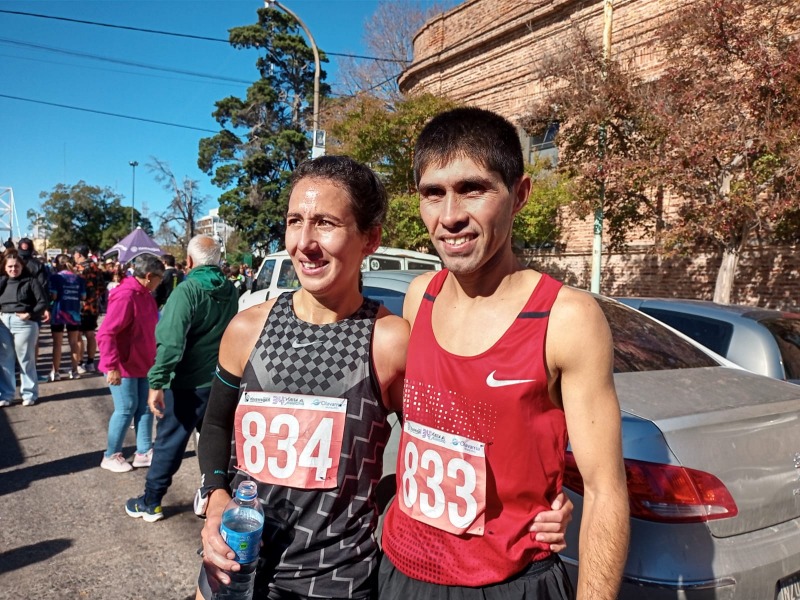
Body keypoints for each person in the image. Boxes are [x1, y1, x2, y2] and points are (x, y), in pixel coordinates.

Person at [193, 156, 573, 600]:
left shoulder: (390, 339)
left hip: (335, 581)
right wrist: (216, 497)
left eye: (326, 223)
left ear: (369, 239)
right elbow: (216, 424)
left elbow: (444, 445)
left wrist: (537, 501)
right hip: (235, 564)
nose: (306, 242)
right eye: (295, 221)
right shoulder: (247, 328)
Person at [378, 108, 630, 600]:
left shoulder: (566, 318)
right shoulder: (417, 297)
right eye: (434, 193)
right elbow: (428, 429)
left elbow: (606, 490)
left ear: (520, 195)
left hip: (510, 584)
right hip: (399, 572)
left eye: (473, 189)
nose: (449, 216)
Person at [125, 235, 238, 520]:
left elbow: (171, 342)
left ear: (189, 261)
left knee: (169, 444)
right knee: (217, 443)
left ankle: (152, 501)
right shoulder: (231, 290)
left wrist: (157, 383)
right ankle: (216, 496)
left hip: (187, 384)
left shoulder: (186, 291)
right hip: (221, 381)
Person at [97, 254, 165, 473]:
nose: (160, 283)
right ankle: (110, 454)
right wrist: (111, 366)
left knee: (146, 407)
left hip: (143, 363)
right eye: (159, 278)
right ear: (148, 276)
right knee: (126, 409)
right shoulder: (126, 295)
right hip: (123, 365)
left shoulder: (145, 294)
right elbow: (107, 333)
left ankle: (144, 451)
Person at [0, 250, 48, 406]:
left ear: (22, 266)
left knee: (25, 360)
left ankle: (29, 394)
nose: (13, 269)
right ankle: (6, 395)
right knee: (4, 360)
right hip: (3, 322)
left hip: (24, 323)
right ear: (5, 268)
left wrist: (30, 314)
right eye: (10, 267)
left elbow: (42, 302)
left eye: (16, 266)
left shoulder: (31, 281)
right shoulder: (2, 282)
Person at [49, 254, 86, 381]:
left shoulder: (55, 277)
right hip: (74, 313)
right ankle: (75, 370)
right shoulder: (79, 278)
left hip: (58, 313)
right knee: (74, 343)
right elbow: (83, 297)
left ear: (59, 264)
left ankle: (56, 372)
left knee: (57, 344)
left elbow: (53, 296)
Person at [73, 245, 106, 374]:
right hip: (93, 306)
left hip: (81, 306)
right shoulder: (96, 268)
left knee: (78, 336)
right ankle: (91, 362)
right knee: (91, 334)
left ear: (79, 254)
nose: (74, 257)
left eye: (75, 254)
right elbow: (103, 287)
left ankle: (80, 363)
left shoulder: (80, 269)